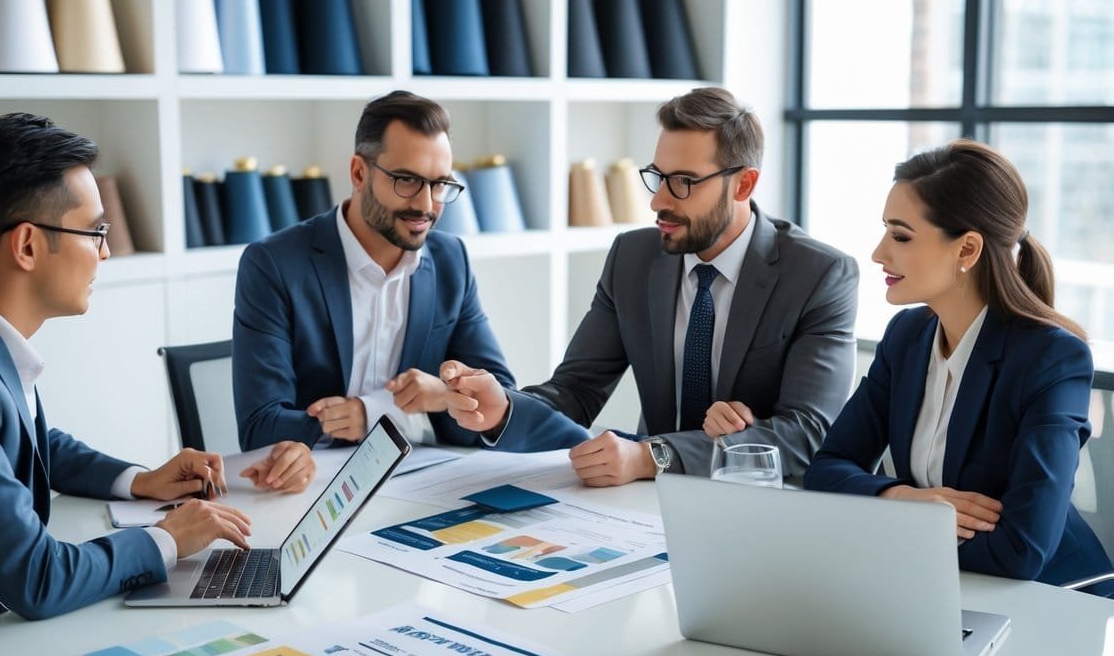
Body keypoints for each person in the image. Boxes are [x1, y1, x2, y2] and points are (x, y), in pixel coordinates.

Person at [0, 113, 316, 649]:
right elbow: (38, 578)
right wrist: (165, 539)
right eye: (95, 231)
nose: (106, 251)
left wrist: (139, 481)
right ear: (26, 246)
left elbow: (24, 438)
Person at [444, 87, 859, 484]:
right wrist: (504, 408)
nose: (659, 200)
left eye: (683, 182)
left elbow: (808, 433)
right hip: (649, 502)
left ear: (744, 184)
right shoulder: (632, 258)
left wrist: (653, 456)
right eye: (658, 177)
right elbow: (575, 392)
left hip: (764, 502)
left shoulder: (819, 275)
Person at [804, 139, 1113, 596]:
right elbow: (827, 468)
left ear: (967, 250)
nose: (878, 253)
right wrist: (901, 499)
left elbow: (1021, 550)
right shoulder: (906, 337)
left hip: (1051, 600)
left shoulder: (1052, 359)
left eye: (901, 236)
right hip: (939, 587)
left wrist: (890, 529)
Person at [232, 90, 588, 451]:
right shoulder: (274, 264)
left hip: (420, 483)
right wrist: (391, 414)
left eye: (439, 184)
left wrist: (434, 397)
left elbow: (495, 400)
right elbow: (260, 428)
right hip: (313, 489)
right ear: (359, 172)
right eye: (406, 180)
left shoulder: (451, 261)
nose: (425, 204)